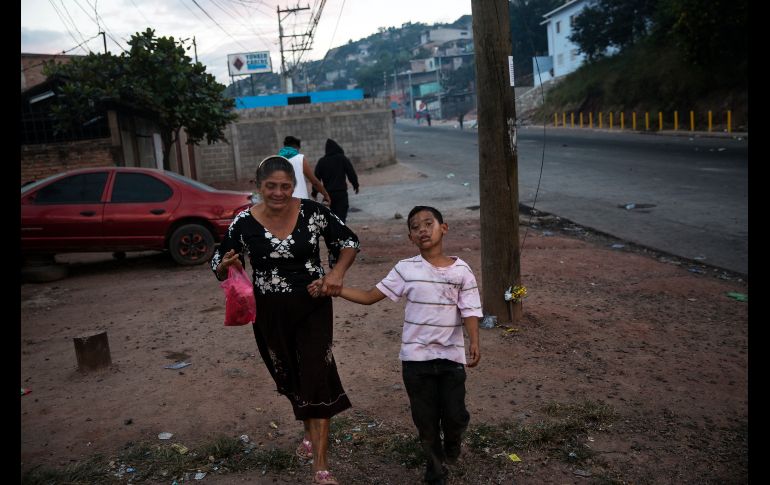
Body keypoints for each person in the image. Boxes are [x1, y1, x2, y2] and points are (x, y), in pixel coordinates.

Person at [212, 156, 359, 485]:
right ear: (258, 186)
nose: (278, 193)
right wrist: (224, 267)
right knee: (290, 375)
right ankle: (309, 432)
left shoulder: (313, 212)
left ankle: (321, 467)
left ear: (294, 186)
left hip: (313, 306)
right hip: (269, 313)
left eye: (285, 186)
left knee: (316, 375)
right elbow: (220, 258)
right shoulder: (243, 223)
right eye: (271, 187)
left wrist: (336, 272)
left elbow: (348, 241)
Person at [309, 205, 481, 485]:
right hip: (415, 361)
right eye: (415, 227)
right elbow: (368, 296)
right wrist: (335, 289)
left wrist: (474, 340)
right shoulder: (405, 269)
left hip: (451, 358)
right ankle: (435, 472)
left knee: (455, 415)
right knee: (425, 421)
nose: (423, 229)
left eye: (429, 223)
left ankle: (453, 441)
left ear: (444, 228)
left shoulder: (461, 271)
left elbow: (470, 309)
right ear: (411, 237)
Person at [311, 139, 360, 268]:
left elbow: (316, 178)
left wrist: (315, 192)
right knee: (341, 220)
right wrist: (355, 184)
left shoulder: (322, 161)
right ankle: (341, 249)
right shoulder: (342, 158)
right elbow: (351, 172)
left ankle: (334, 250)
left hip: (328, 196)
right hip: (341, 194)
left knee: (331, 222)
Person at [278, 135, 331, 204]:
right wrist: (325, 194)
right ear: (296, 147)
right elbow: (313, 181)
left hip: (284, 202)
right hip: (300, 202)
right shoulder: (300, 158)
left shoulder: (277, 160)